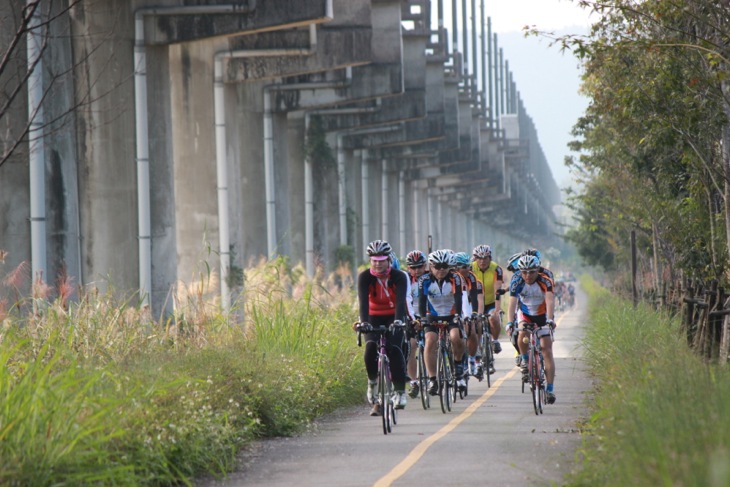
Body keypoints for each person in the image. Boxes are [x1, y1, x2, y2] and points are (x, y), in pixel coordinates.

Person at [355, 240, 409, 416]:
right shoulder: (364, 277)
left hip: (393, 315)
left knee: (394, 349)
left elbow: (401, 302)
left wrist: (399, 321)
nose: (378, 263)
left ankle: (400, 392)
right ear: (370, 260)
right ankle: (372, 383)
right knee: (370, 347)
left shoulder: (399, 276)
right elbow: (363, 303)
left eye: (382, 260)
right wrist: (364, 323)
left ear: (388, 259)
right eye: (374, 260)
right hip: (373, 316)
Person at [506, 254, 557, 404]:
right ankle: (524, 359)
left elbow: (550, 300)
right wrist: (509, 322)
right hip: (526, 314)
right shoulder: (516, 281)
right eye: (524, 272)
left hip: (542, 315)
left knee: (546, 349)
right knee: (522, 333)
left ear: (537, 271)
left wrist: (550, 320)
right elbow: (512, 303)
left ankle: (550, 389)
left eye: (531, 272)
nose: (528, 275)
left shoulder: (545, 281)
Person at [417, 249, 466, 395]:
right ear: (431, 266)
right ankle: (432, 379)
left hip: (451, 315)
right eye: (437, 266)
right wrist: (422, 318)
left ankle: (458, 366)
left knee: (455, 336)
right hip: (432, 316)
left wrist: (458, 315)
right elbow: (422, 302)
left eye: (445, 266)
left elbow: (458, 298)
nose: (441, 270)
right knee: (430, 340)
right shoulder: (424, 280)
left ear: (449, 266)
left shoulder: (456, 278)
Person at [470, 245, 505, 362]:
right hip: (475, 302)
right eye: (479, 258)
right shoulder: (470, 268)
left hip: (490, 302)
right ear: (475, 259)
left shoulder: (496, 269)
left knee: (493, 318)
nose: (482, 261)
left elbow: (498, 290)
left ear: (490, 258)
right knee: (475, 324)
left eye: (485, 258)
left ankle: (495, 341)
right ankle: (478, 348)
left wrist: (497, 309)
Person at [453, 252, 485, 379]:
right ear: (456, 267)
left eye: (468, 266)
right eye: (464, 267)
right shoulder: (453, 277)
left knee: (471, 327)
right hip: (452, 306)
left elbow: (473, 297)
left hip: (466, 304)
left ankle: (472, 359)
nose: (467, 269)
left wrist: (474, 314)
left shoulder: (471, 278)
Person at [404, 250, 429, 398]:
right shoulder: (405, 279)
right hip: (412, 316)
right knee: (411, 346)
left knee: (431, 344)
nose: (416, 270)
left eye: (420, 267)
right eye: (413, 267)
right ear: (408, 268)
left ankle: (433, 374)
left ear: (425, 266)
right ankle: (414, 381)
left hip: (428, 315)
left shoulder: (430, 278)